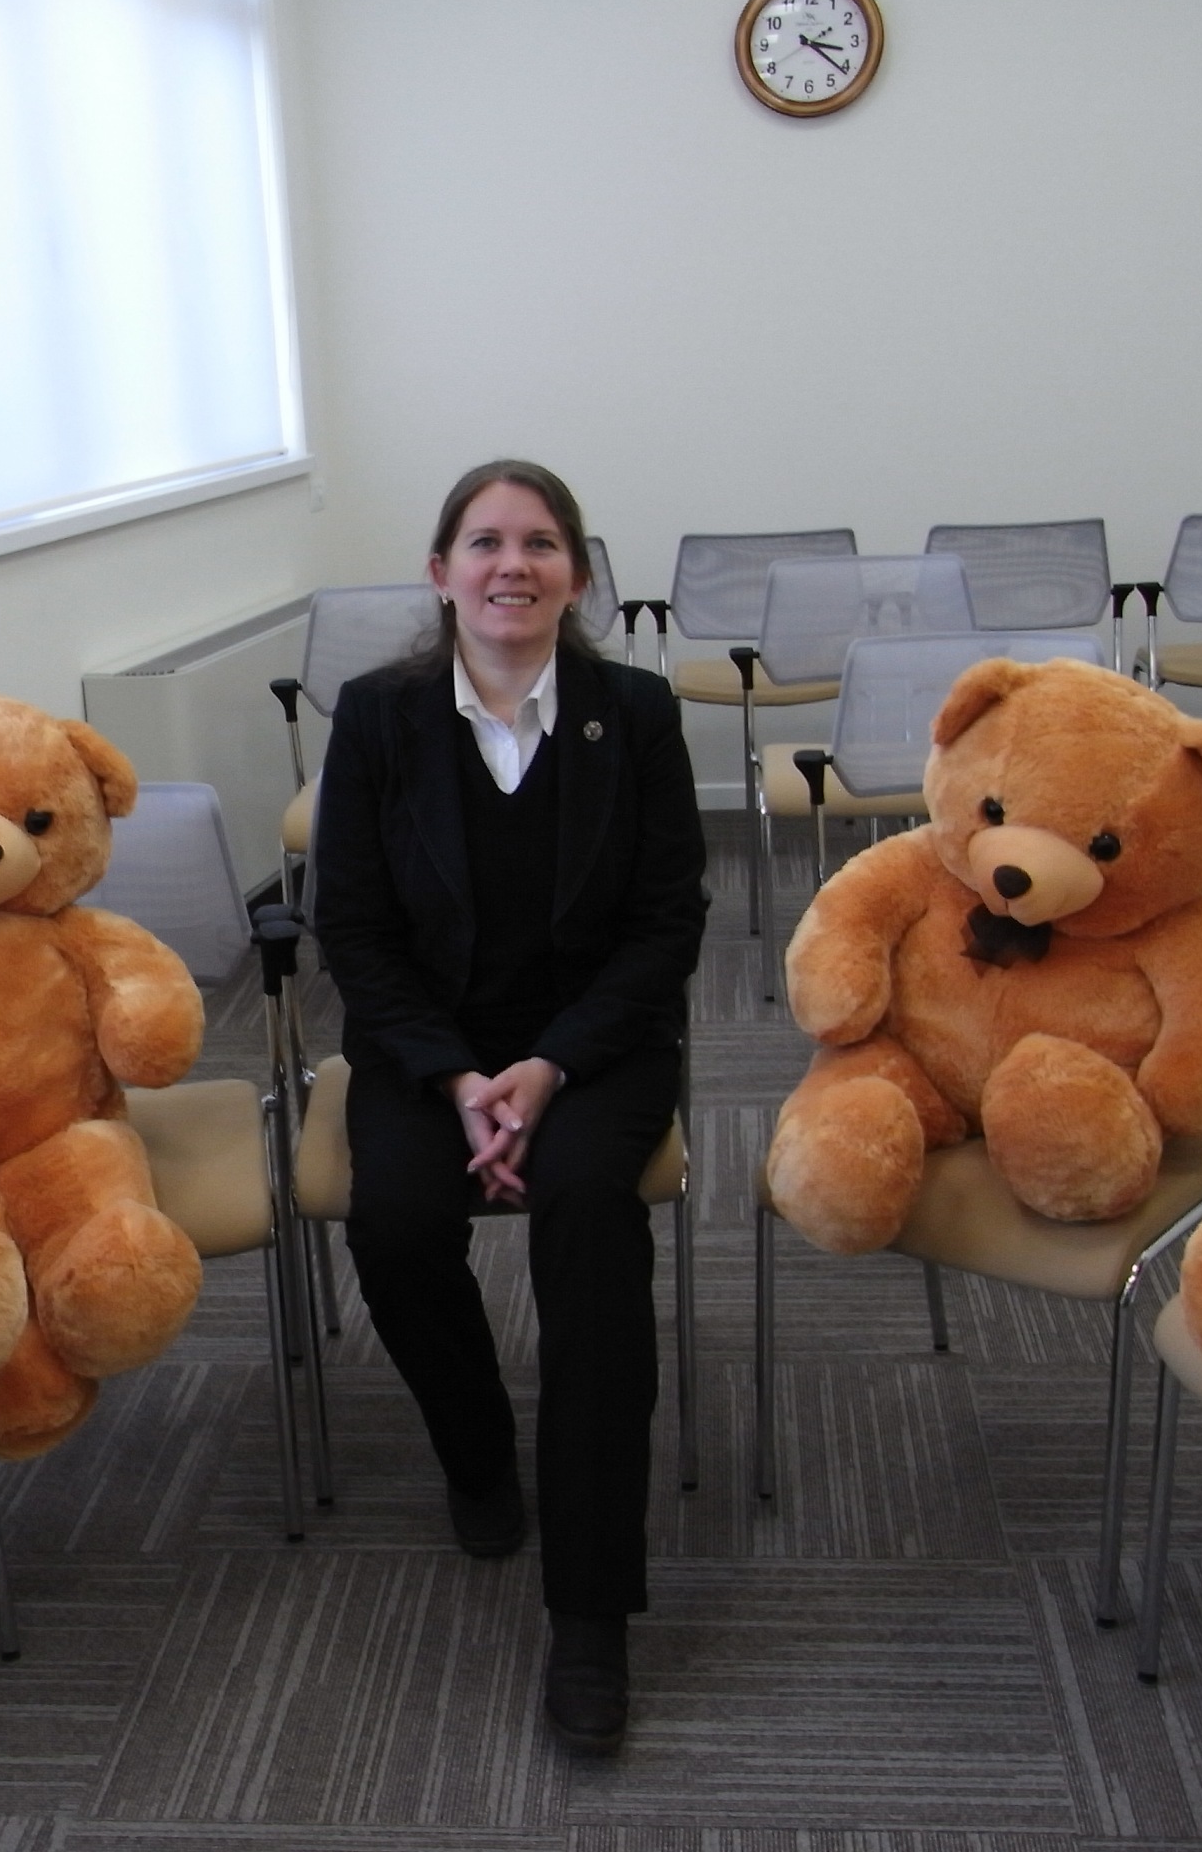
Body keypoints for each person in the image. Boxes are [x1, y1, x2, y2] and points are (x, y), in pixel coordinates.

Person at [312, 460, 707, 1754]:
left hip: (595, 1045)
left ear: (576, 577)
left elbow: (667, 925)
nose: (512, 565)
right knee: (395, 1222)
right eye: (484, 542)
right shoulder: (378, 717)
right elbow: (354, 930)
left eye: (540, 544)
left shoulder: (634, 713)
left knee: (589, 1215)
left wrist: (549, 1067)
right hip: (426, 1049)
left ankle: (591, 1613)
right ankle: (480, 1450)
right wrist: (453, 1075)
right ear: (442, 574)